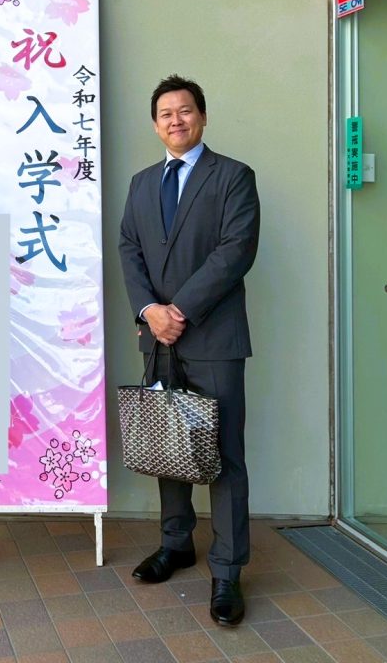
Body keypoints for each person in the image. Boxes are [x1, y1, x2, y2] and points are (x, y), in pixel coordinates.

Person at [118, 75, 260, 626]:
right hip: (157, 337)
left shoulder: (233, 176)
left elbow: (235, 250)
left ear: (202, 116)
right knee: (168, 442)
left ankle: (227, 570)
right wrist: (148, 310)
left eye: (185, 111)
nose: (175, 120)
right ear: (156, 125)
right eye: (165, 114)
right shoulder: (141, 183)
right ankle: (176, 544)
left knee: (223, 455)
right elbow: (129, 247)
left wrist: (178, 310)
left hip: (214, 338)